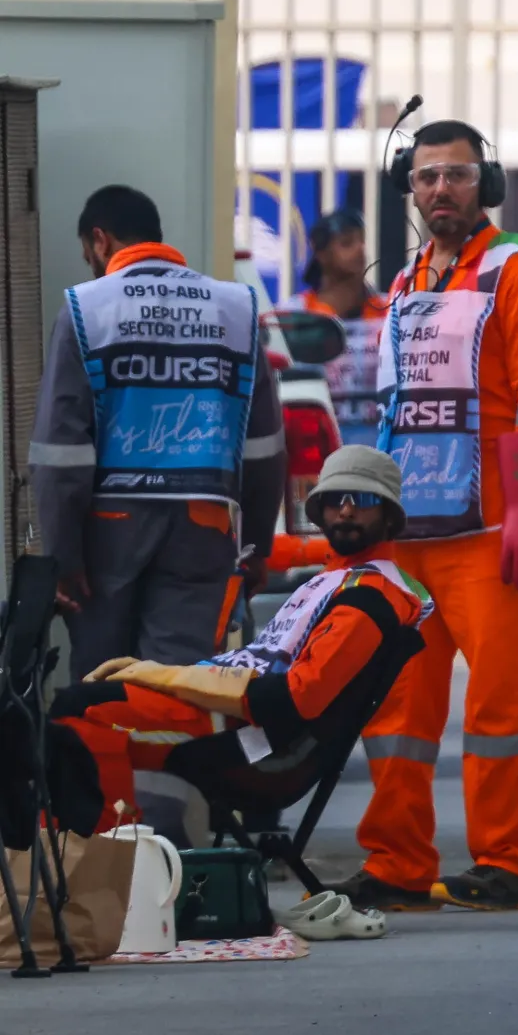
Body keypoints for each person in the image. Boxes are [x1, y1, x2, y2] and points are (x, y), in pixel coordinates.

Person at [328, 118, 518, 913]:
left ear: (485, 186)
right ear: (410, 185)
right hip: (412, 535)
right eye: (428, 176)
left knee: (499, 706)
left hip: (494, 534)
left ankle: (510, 862)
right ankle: (397, 863)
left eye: (458, 175)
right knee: (396, 708)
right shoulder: (404, 286)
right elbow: (397, 411)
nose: (442, 190)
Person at [49, 446, 432, 837]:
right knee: (74, 706)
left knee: (82, 717)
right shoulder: (335, 577)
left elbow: (296, 699)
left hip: (256, 745)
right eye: (335, 500)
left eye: (363, 500)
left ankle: (114, 872)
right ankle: (94, 866)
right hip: (225, 716)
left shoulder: (369, 598)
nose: (346, 511)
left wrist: (160, 675)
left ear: (388, 514)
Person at [29, 185, 285, 677]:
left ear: (100, 241)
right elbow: (263, 448)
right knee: (179, 680)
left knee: (102, 678)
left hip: (108, 531)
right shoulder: (235, 308)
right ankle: (164, 755)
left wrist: (62, 557)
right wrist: (255, 546)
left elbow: (62, 452)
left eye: (89, 255)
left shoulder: (86, 309)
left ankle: (106, 753)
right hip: (204, 524)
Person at [290, 208, 388, 447]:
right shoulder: (296, 313)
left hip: (378, 447)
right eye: (347, 243)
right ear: (321, 254)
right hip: (318, 446)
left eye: (362, 241)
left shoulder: (389, 308)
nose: (360, 249)